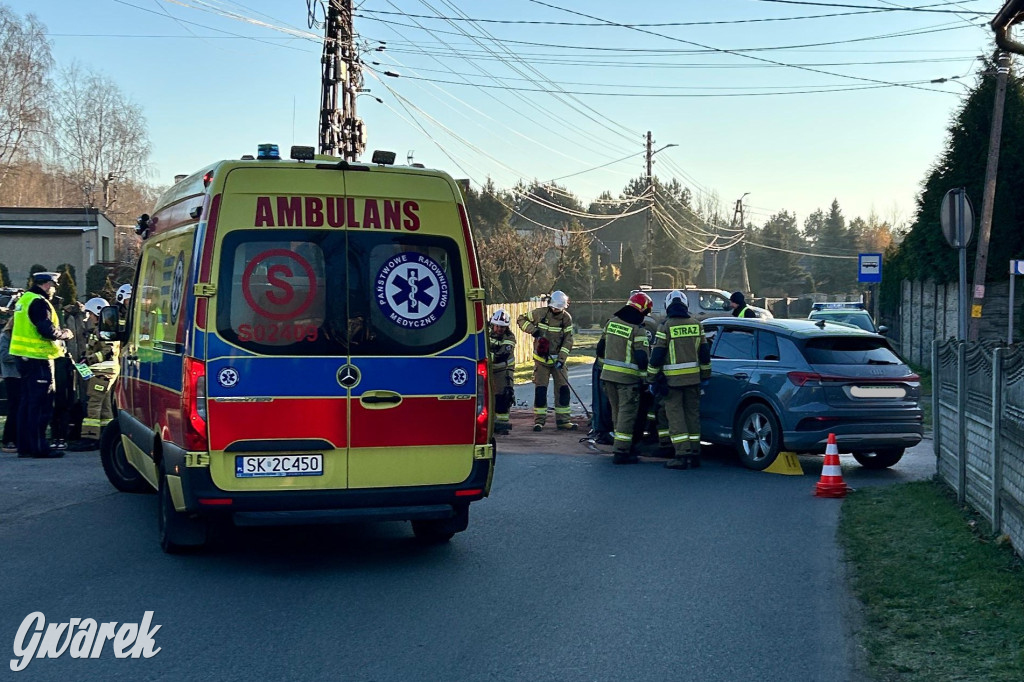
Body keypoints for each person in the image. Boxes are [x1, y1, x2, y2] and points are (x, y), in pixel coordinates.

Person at [9, 272, 75, 458]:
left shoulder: (25, 299)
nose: (54, 290)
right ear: (47, 284)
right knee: (41, 405)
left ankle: (26, 447)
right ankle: (39, 447)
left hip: (24, 358)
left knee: (27, 404)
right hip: (38, 358)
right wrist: (65, 334)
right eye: (54, 285)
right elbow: (46, 329)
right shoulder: (39, 301)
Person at [648, 290, 711, 470]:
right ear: (686, 306)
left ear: (668, 306)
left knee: (676, 418)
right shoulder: (697, 325)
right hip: (694, 381)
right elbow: (704, 355)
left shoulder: (665, 327)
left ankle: (682, 455)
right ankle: (695, 454)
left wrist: (651, 378)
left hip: (672, 383)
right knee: (692, 416)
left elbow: (657, 355)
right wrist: (705, 375)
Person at [595, 291, 652, 464]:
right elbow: (642, 359)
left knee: (617, 414)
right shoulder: (638, 330)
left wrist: (605, 368)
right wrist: (645, 379)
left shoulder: (611, 323)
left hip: (608, 378)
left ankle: (620, 444)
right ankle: (621, 451)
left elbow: (600, 349)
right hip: (627, 381)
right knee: (627, 415)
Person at [517, 290, 576, 432]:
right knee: (541, 390)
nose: (555, 310)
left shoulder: (566, 319)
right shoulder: (540, 313)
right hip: (541, 361)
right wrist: (533, 330)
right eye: (554, 307)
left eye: (558, 308)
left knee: (563, 390)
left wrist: (561, 359)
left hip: (558, 362)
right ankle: (539, 421)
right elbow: (521, 319)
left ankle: (563, 421)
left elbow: (568, 340)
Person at [69, 297, 118, 451]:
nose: (88, 317)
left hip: (103, 372)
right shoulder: (103, 328)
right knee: (105, 407)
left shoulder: (106, 330)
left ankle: (90, 438)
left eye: (90, 314)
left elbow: (108, 351)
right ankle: (105, 436)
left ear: (97, 312)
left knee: (94, 404)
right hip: (104, 372)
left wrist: (88, 360)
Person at [487, 309, 516, 435]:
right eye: (497, 326)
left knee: (504, 395)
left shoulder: (509, 337)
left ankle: (502, 423)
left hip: (502, 369)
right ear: (493, 324)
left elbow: (502, 355)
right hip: (486, 368)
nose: (500, 329)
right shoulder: (483, 331)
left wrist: (485, 355)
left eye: (503, 327)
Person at [1, 313, 21, 452]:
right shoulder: (5, 337)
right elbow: (4, 356)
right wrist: (21, 357)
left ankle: (18, 437)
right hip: (11, 376)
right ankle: (9, 439)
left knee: (21, 408)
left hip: (22, 376)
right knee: (14, 407)